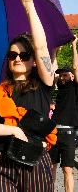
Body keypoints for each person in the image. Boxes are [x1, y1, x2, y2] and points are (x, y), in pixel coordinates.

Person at [0, 0, 57, 191]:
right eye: (13, 55)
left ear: (34, 61)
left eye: (24, 54)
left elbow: (41, 47)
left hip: (35, 163)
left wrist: (29, 6)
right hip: (1, 163)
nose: (18, 58)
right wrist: (14, 129)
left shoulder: (44, 84)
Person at [49, 35, 78, 192]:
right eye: (61, 75)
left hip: (68, 133)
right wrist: (55, 51)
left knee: (68, 170)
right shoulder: (58, 88)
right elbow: (53, 71)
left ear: (72, 76)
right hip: (54, 132)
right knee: (51, 168)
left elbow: (75, 66)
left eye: (65, 74)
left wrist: (74, 46)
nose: (62, 77)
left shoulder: (75, 88)